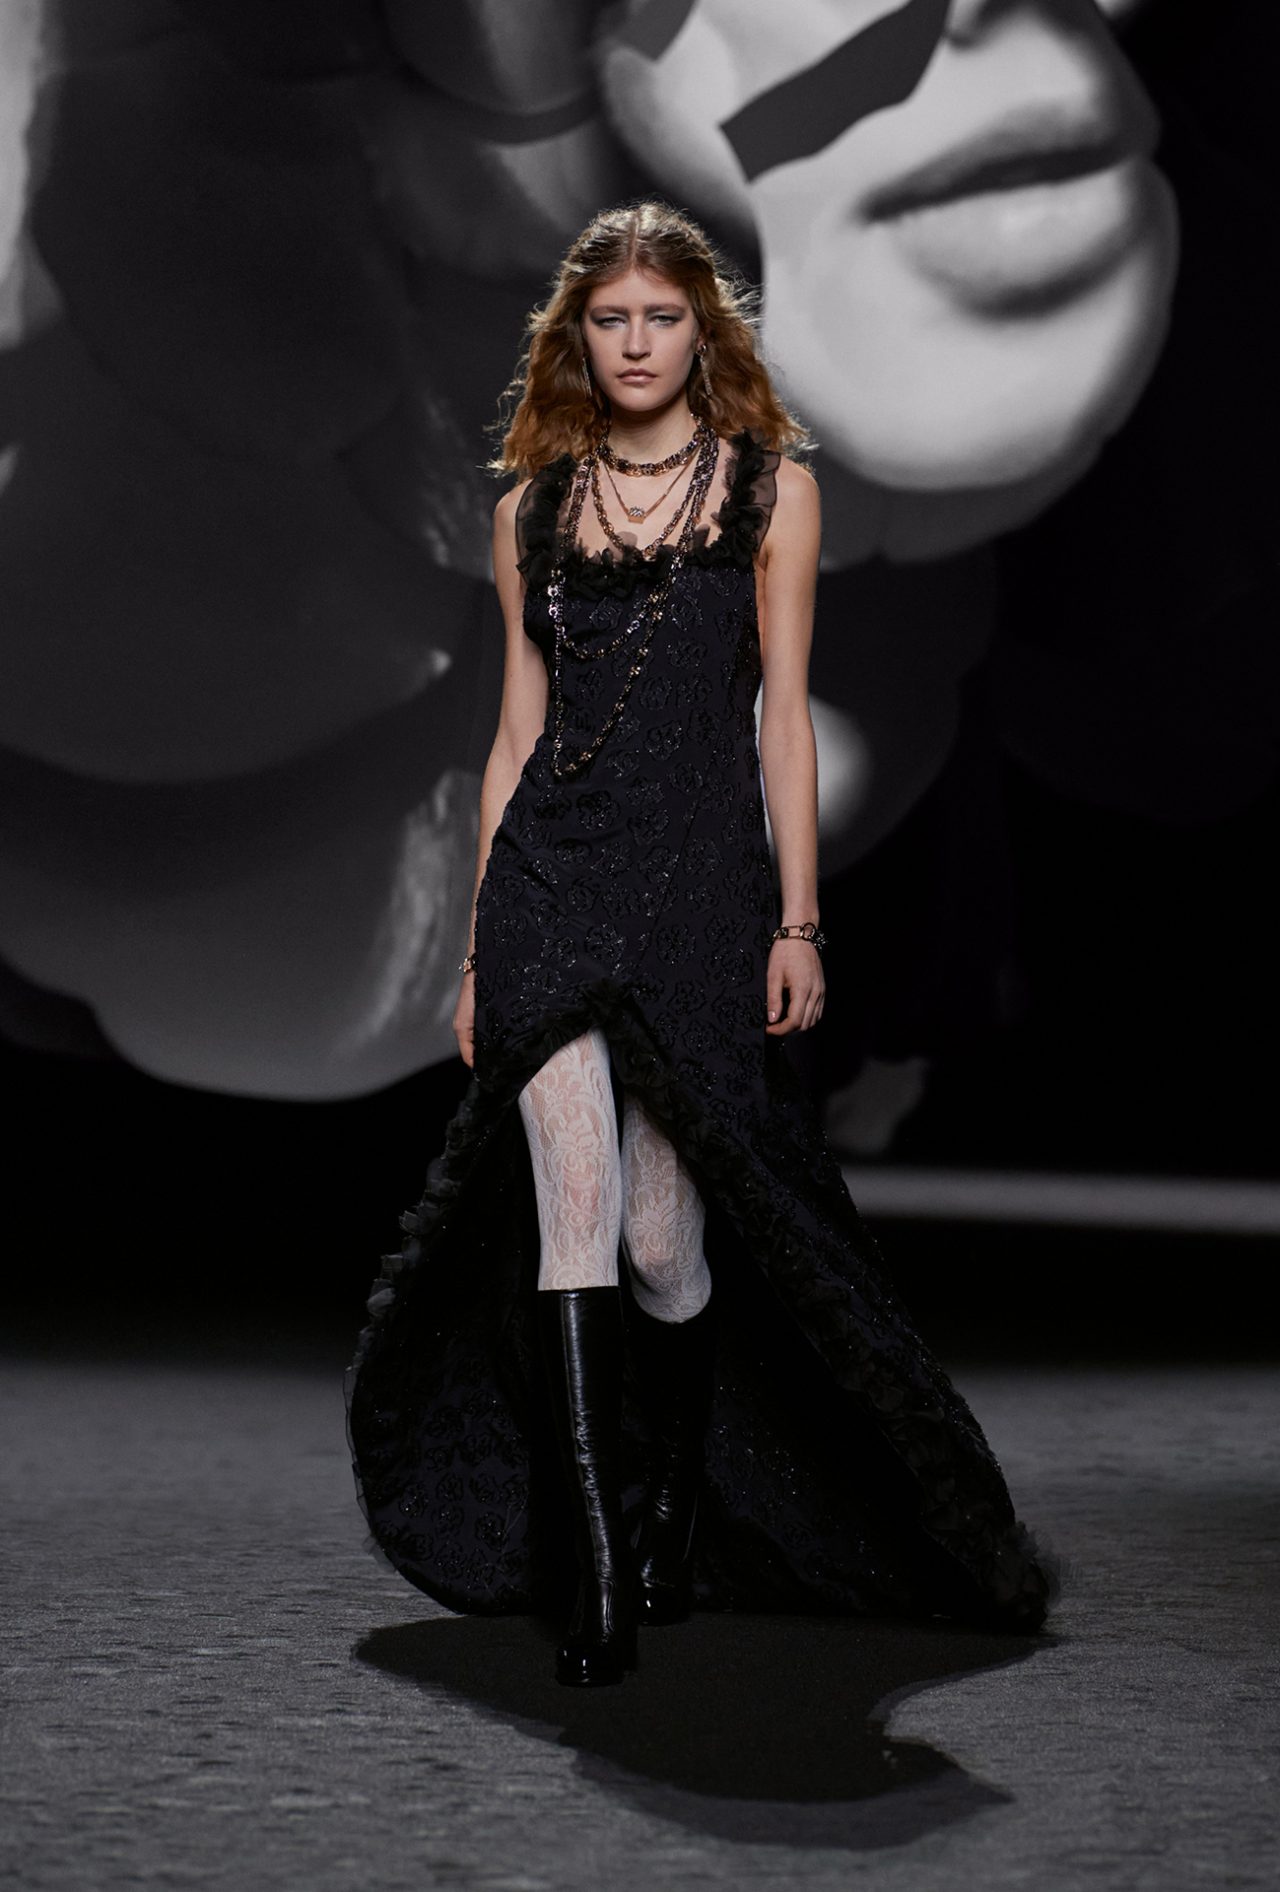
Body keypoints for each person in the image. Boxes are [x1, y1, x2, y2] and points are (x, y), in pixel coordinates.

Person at [345, 200, 1054, 1688]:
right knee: (577, 1204)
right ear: (577, 337)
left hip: (703, 892)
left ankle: (669, 1505)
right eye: (611, 320)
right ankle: (602, 1569)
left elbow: (784, 721)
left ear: (702, 330)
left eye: (662, 318)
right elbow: (514, 736)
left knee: (666, 1244)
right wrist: (476, 949)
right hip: (550, 880)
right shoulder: (531, 513)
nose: (636, 343)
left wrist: (799, 918)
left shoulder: (771, 496)